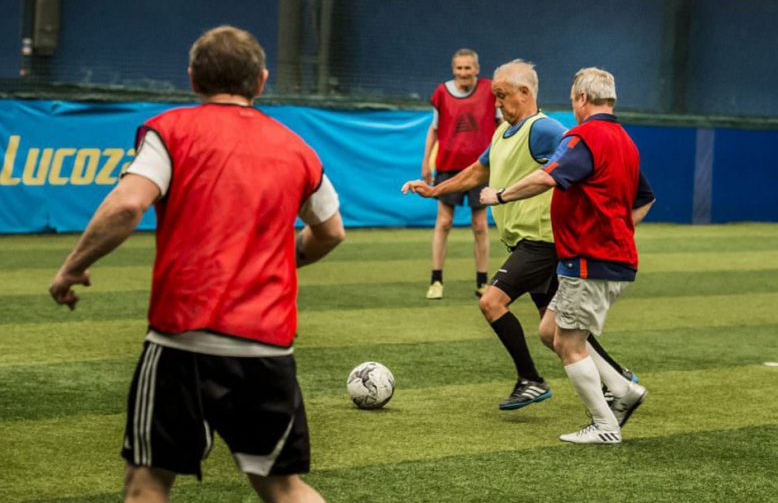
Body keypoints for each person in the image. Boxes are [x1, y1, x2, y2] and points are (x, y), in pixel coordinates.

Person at [49, 26, 344, 502]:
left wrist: (71, 266)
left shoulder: (171, 132)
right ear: (262, 81)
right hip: (265, 346)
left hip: (181, 341)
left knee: (146, 484)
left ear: (192, 79)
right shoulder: (297, 149)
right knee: (283, 487)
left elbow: (127, 206)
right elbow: (332, 231)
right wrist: (287, 259)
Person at [403, 60, 634, 412]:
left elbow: (580, 160)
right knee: (556, 331)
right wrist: (436, 190)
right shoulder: (502, 132)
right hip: (524, 241)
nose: (497, 102)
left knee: (491, 302)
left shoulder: (546, 130)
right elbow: (478, 171)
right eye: (495, 95)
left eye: (502, 95)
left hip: (542, 241)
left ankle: (530, 380)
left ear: (524, 93)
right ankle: (618, 380)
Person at [480, 67, 656, 444]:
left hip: (589, 259)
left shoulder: (585, 135)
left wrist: (500, 194)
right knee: (550, 330)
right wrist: (620, 229)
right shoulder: (626, 140)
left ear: (580, 99)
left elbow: (547, 177)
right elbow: (646, 198)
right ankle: (623, 390)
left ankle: (605, 424)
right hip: (609, 257)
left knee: (570, 344)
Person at [421, 48, 502, 299]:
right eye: (459, 68)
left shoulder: (490, 91)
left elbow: (501, 126)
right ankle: (436, 280)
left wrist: (500, 160)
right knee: (443, 222)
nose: (463, 73)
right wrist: (426, 162)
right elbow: (434, 130)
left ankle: (482, 282)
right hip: (447, 166)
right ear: (453, 69)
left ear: (477, 69)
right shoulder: (441, 93)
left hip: (480, 166)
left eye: (468, 68)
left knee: (479, 225)